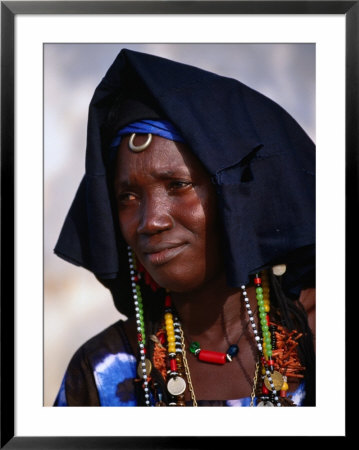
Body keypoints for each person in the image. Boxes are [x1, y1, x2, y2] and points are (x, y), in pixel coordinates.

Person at [53, 49, 315, 407]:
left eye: (178, 185)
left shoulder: (320, 340)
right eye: (127, 197)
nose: (151, 221)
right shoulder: (99, 372)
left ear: (237, 197)